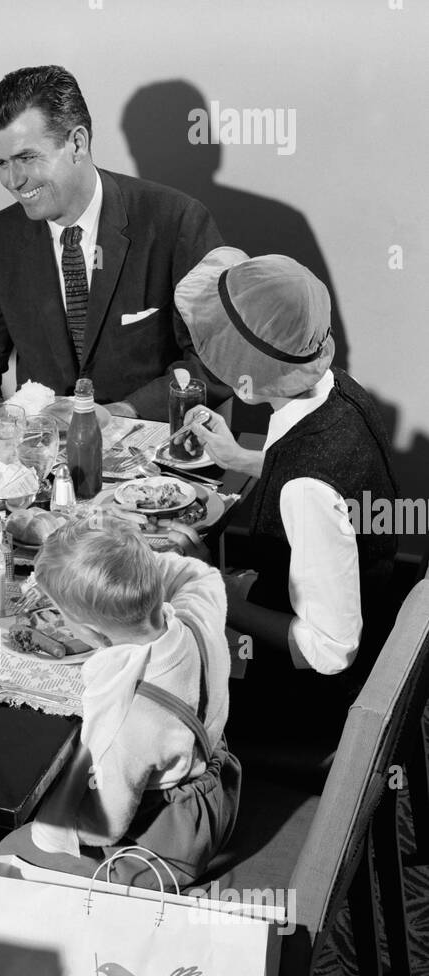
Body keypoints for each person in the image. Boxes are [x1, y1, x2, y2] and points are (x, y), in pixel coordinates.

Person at [172, 247, 399, 738]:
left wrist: (211, 593)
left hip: (310, 705)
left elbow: (330, 651)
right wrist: (240, 459)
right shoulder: (337, 389)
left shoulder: (305, 488)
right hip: (365, 601)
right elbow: (325, 485)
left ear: (247, 387)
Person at [0, 65, 225, 420]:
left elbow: (214, 365)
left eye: (27, 158)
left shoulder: (176, 222)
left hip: (154, 458)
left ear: (78, 143)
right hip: (41, 460)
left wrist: (123, 412)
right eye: (2, 162)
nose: (13, 180)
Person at [0, 519, 239, 888]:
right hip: (220, 796)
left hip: (168, 845)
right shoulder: (197, 616)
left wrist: (55, 820)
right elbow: (198, 575)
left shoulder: (128, 715)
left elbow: (104, 825)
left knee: (10, 851)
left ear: (89, 629)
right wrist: (132, 568)